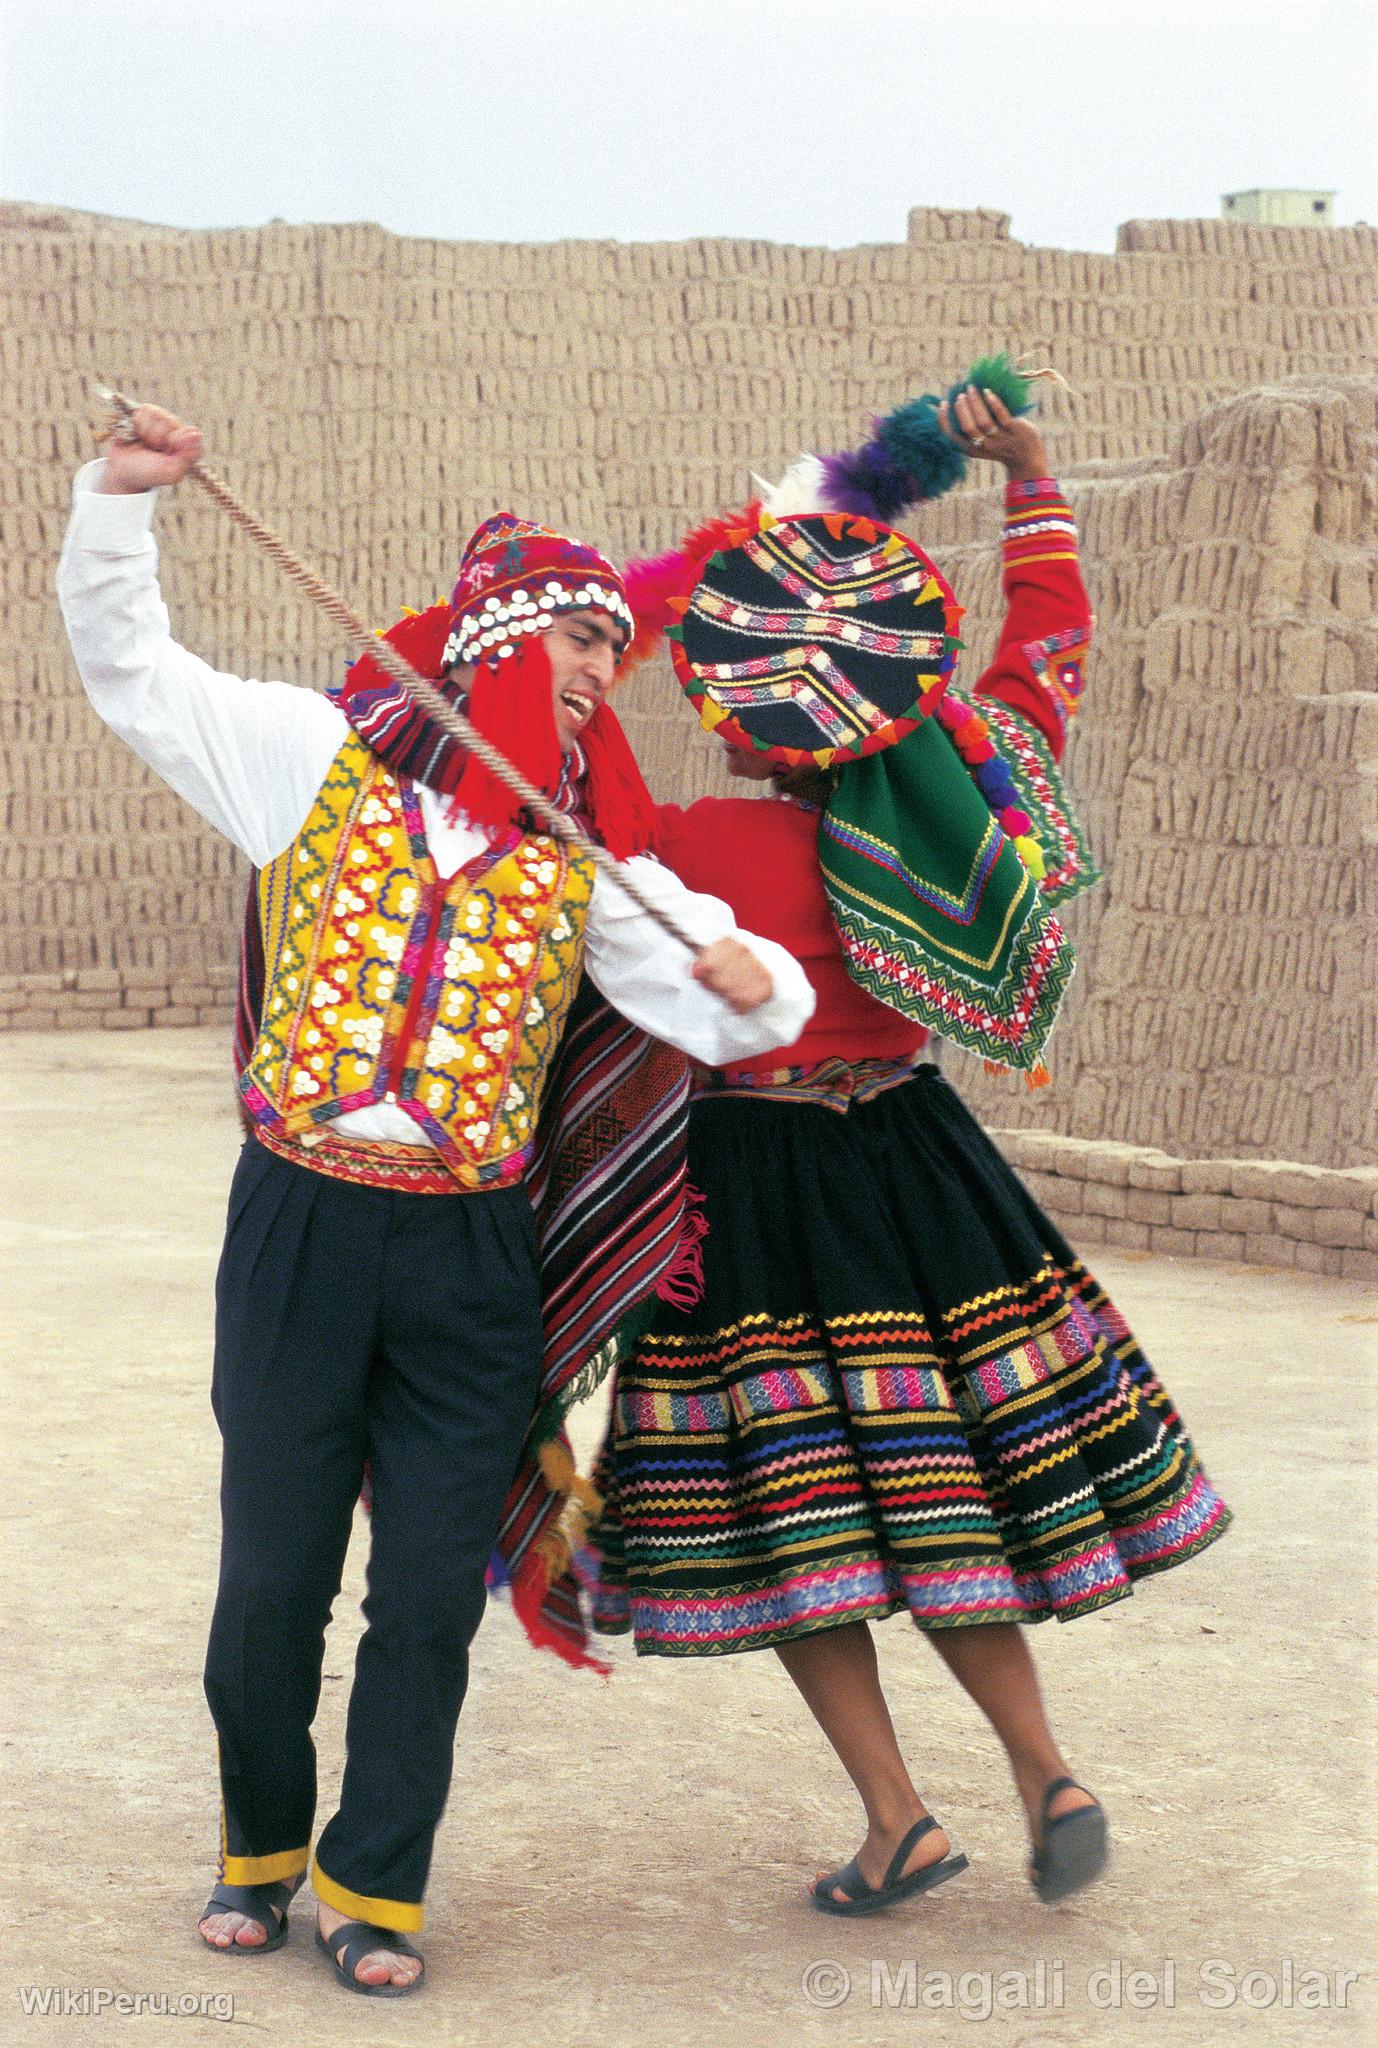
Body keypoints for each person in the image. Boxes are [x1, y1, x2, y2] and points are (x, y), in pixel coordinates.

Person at [57, 407, 815, 1993]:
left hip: (470, 1255)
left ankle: (375, 1885)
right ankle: (257, 1848)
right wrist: (116, 510)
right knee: (271, 1574)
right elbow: (136, 674)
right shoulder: (307, 765)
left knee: (423, 1599)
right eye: (579, 639)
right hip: (302, 1227)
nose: (605, 672)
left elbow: (737, 1011)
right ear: (494, 643)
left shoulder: (586, 864)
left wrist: (759, 985)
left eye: (619, 645)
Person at [588, 372, 1231, 1915]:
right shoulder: (961, 797)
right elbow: (1045, 662)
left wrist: (653, 597)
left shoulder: (689, 849)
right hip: (921, 1165)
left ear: (737, 700)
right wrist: (1030, 486)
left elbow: (563, 751)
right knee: (937, 1484)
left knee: (796, 1512)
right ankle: (1041, 1766)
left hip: (747, 1187)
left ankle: (895, 1816)